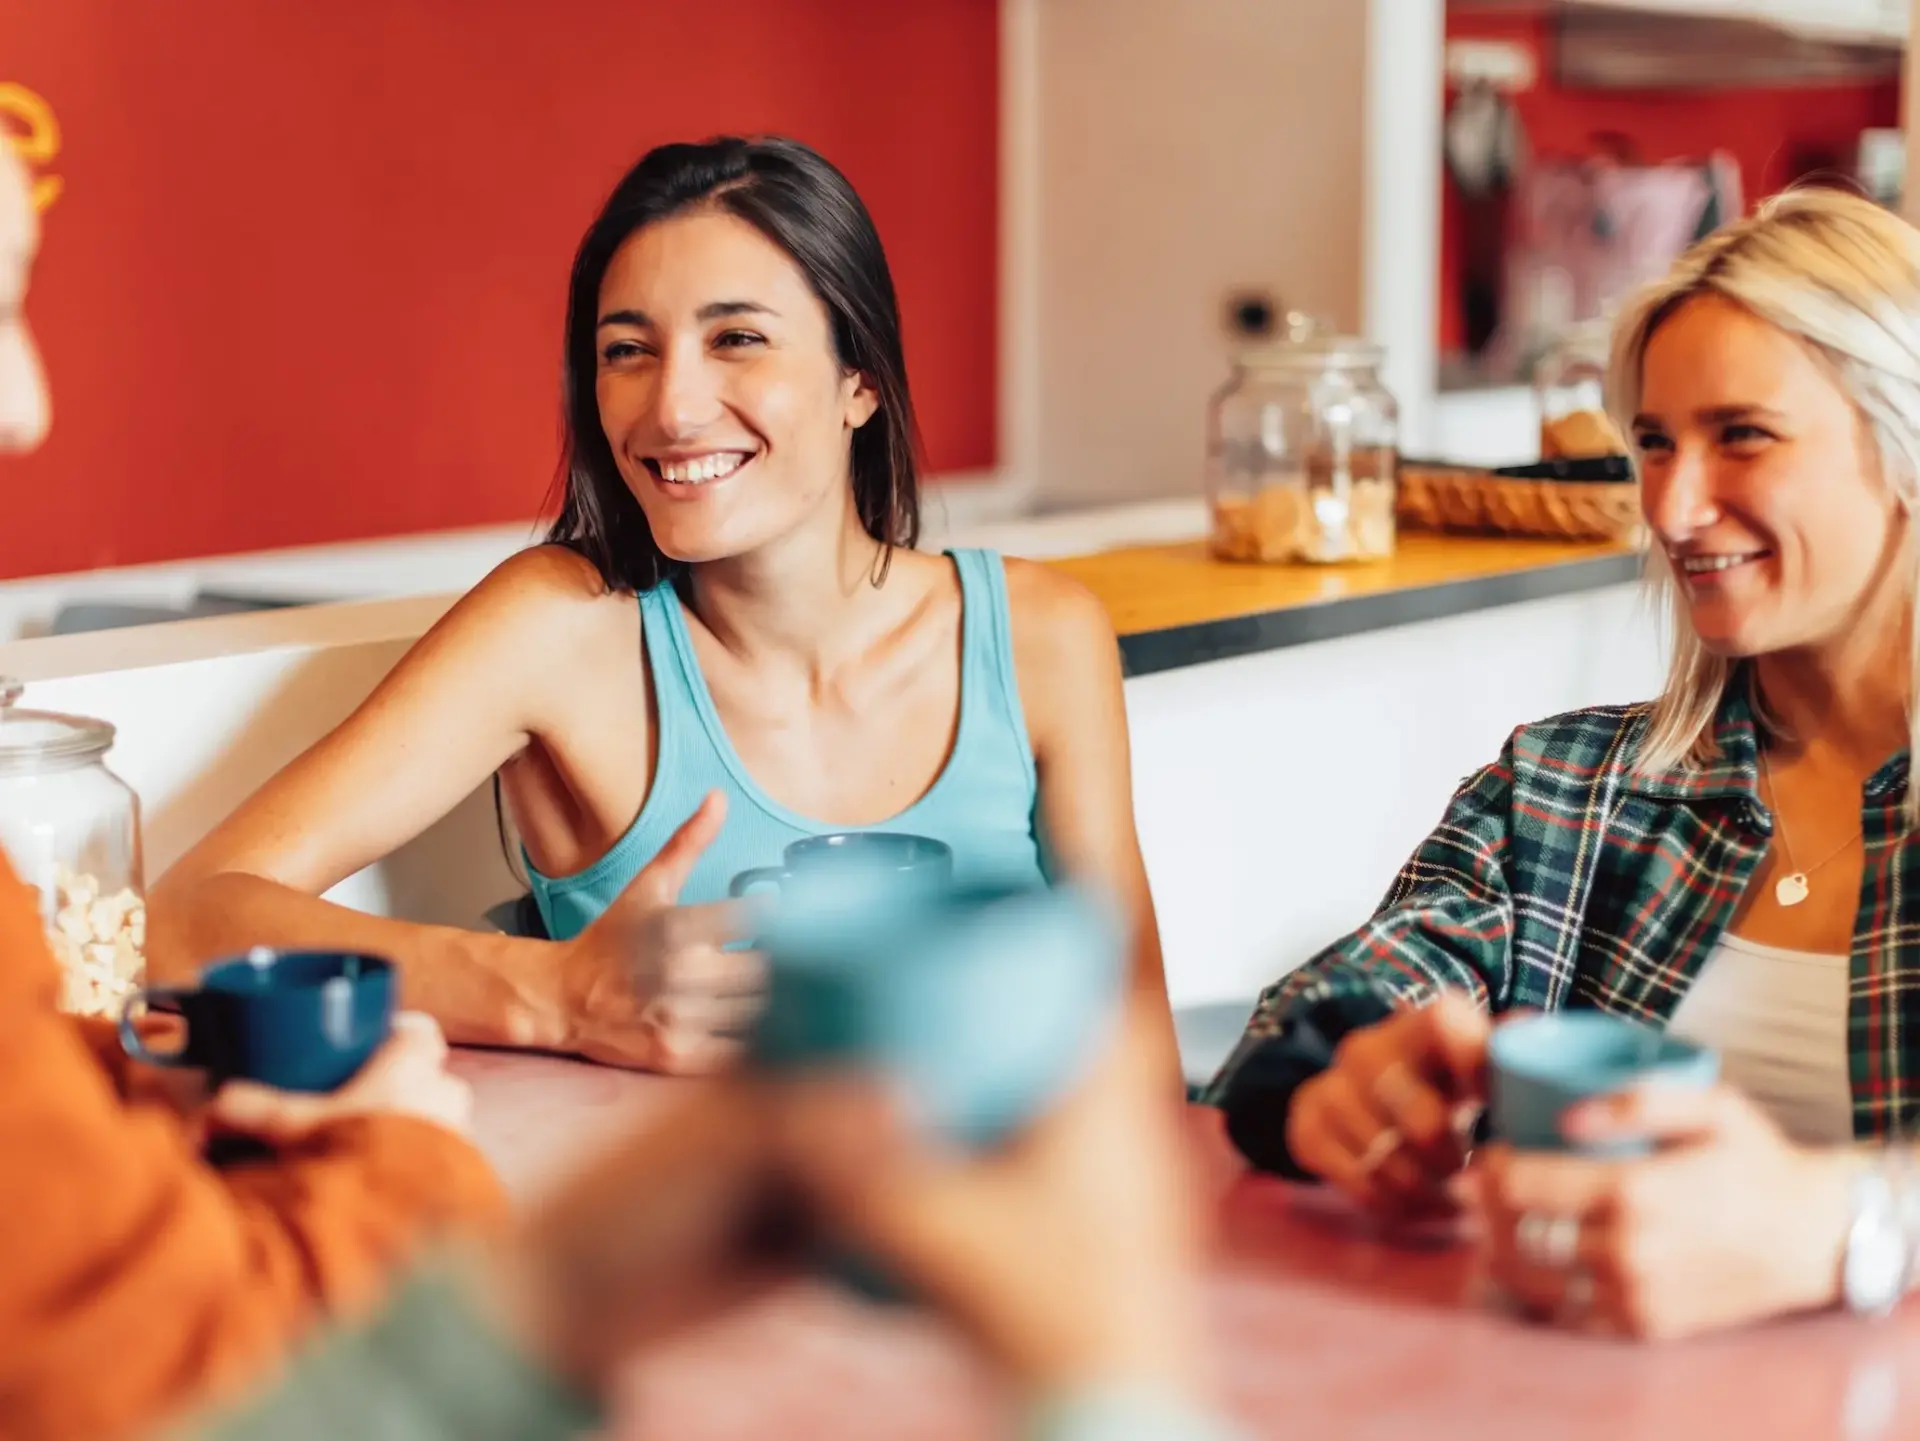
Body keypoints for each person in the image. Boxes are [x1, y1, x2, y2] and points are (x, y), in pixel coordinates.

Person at [149, 135, 1170, 1078]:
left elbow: (1136, 1053)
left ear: (859, 378)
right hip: (689, 1254)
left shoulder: (1042, 637)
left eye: (736, 339)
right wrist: (557, 994)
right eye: (626, 350)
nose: (672, 408)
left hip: (1005, 1238)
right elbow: (187, 919)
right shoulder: (560, 628)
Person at [1206, 185, 1920, 1337]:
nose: (1676, 508)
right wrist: (1343, 1089)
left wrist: (1850, 1225)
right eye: (1652, 442)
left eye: (1743, 434)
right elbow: (1309, 1021)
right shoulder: (1565, 787)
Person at [0, 140, 502, 1441]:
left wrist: (112, 1114)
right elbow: (169, 1384)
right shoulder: (554, 616)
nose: (28, 404)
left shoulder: (1024, 630)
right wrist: (406, 1154)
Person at [171, 1011, 1242, 1441]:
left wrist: (547, 1295)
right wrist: (1110, 1379)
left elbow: (1127, 1020)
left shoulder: (1032, 630)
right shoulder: (562, 621)